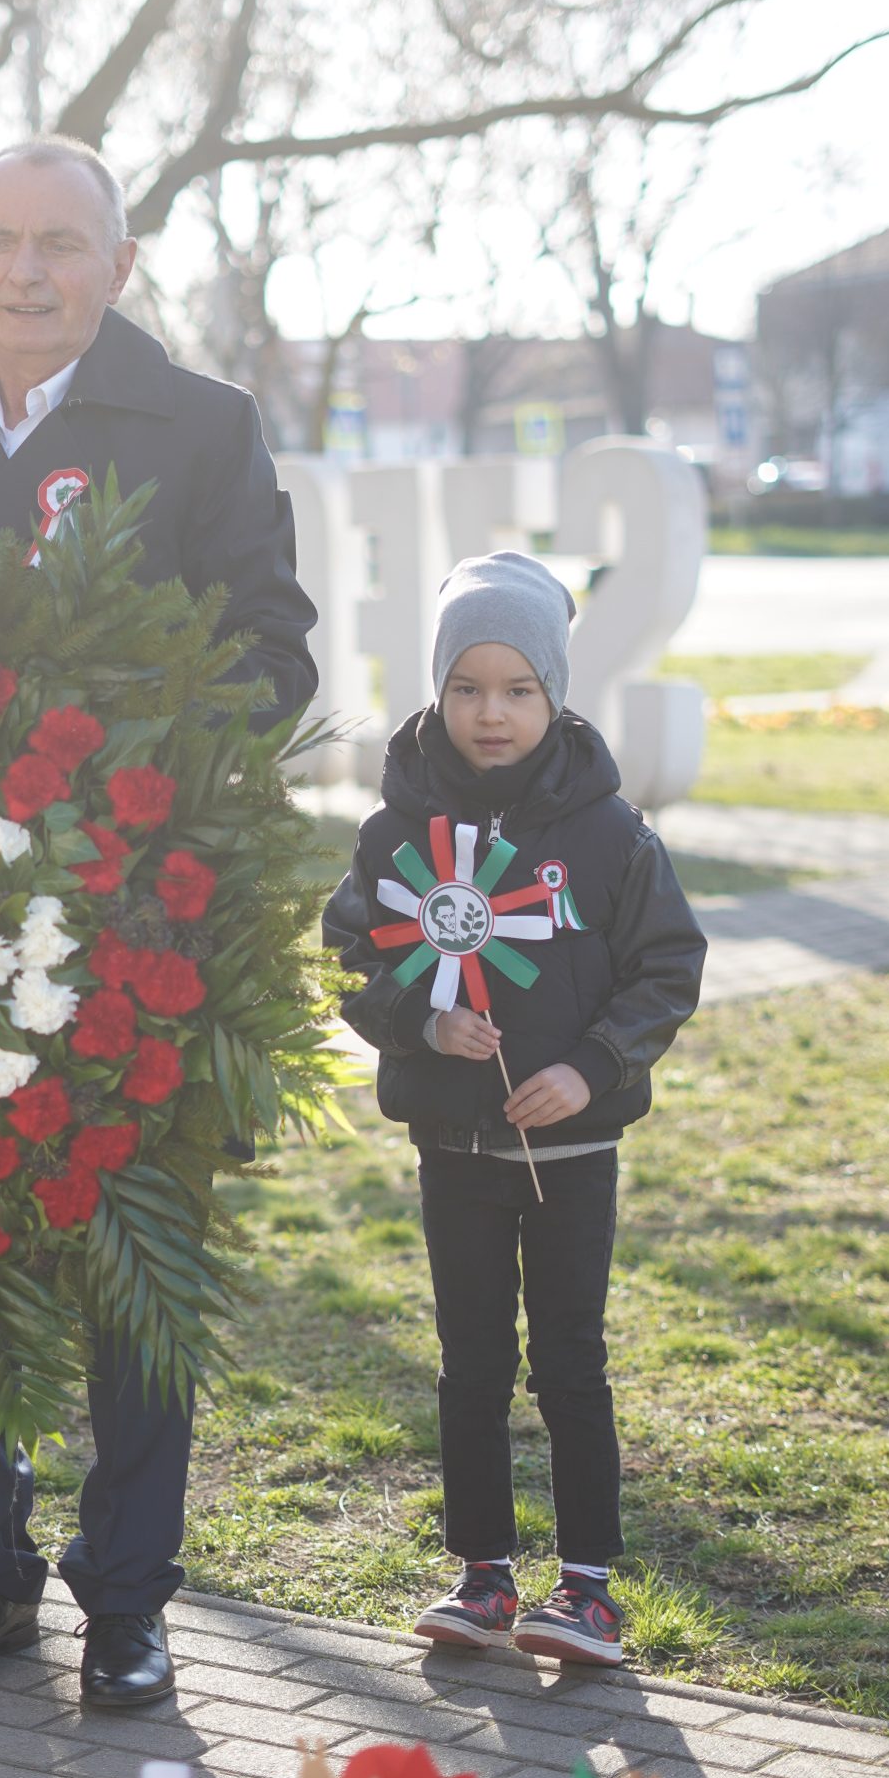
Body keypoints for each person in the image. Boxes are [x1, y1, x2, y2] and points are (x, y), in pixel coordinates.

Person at [0, 136, 318, 1709]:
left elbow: (274, 652)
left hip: (140, 915)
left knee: (130, 1265)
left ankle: (127, 1600)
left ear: (118, 263)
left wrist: (128, 750)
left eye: (57, 242)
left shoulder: (201, 427)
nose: (24, 270)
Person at [323, 552, 705, 1668]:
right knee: (471, 1362)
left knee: (569, 1361)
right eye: (467, 688)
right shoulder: (395, 832)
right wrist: (418, 1019)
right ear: (437, 692)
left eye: (518, 689)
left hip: (571, 1150)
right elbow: (349, 955)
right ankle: (482, 1573)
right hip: (454, 1143)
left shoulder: (610, 833)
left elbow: (666, 966)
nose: (491, 713)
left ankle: (587, 1588)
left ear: (555, 693)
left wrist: (592, 1066)